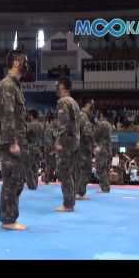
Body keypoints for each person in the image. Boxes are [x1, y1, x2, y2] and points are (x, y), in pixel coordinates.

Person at [0, 50, 28, 230]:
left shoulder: (15, 85)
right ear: (16, 62)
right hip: (10, 140)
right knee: (12, 179)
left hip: (15, 139)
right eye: (23, 60)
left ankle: (10, 217)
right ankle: (8, 220)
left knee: (17, 179)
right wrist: (13, 141)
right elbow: (8, 115)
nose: (26, 64)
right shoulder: (8, 85)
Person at [54, 77, 80, 212]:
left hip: (67, 142)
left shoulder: (63, 102)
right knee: (70, 172)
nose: (56, 88)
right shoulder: (74, 103)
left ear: (62, 86)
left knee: (64, 172)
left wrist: (58, 141)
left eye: (58, 85)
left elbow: (63, 125)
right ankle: (70, 202)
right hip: (75, 141)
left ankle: (68, 204)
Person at [75, 99, 95, 200]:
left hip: (77, 148)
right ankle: (80, 192)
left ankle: (77, 191)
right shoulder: (84, 116)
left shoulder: (77, 115)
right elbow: (87, 134)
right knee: (85, 170)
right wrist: (93, 145)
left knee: (78, 170)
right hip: (83, 148)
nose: (92, 108)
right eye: (90, 105)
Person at [94, 110, 112, 193]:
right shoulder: (109, 125)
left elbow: (96, 135)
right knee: (106, 168)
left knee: (101, 168)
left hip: (102, 148)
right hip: (108, 149)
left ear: (101, 115)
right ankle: (106, 187)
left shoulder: (101, 124)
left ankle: (104, 187)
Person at [25, 109, 43, 190]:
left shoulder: (31, 125)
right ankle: (35, 183)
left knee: (29, 166)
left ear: (31, 116)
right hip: (38, 148)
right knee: (35, 167)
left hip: (31, 147)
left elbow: (25, 134)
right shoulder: (41, 125)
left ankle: (31, 184)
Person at [42, 113, 57, 184]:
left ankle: (47, 179)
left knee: (51, 165)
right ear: (52, 120)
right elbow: (49, 141)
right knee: (50, 165)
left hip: (50, 149)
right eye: (55, 120)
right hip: (49, 149)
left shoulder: (51, 128)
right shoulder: (49, 129)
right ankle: (46, 180)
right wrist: (52, 149)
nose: (57, 122)